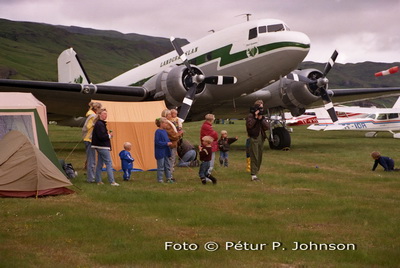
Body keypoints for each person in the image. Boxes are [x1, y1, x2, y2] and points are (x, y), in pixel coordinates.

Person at [91, 108, 119, 186]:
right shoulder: (100, 124)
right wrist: (109, 135)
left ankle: (98, 180)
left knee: (100, 163)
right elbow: (101, 136)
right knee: (108, 163)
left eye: (106, 114)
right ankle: (112, 181)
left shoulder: (99, 123)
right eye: (104, 113)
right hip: (102, 146)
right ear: (100, 114)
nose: (105, 115)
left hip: (99, 146)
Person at [246, 100, 269, 181]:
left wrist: (261, 119)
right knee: (254, 156)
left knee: (259, 156)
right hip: (254, 137)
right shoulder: (250, 115)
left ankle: (256, 171)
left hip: (261, 137)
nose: (261, 109)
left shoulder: (262, 116)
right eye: (260, 107)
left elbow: (267, 127)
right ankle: (253, 174)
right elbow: (249, 125)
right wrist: (255, 118)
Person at [82, 101, 102, 183]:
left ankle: (91, 177)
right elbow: (88, 126)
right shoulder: (92, 116)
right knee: (91, 160)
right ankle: (90, 179)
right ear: (96, 108)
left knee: (92, 160)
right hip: (89, 139)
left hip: (89, 139)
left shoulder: (91, 115)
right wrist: (95, 123)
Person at [161, 109, 183, 175]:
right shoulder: (167, 124)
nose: (171, 115)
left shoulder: (168, 123)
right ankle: (169, 175)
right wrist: (180, 134)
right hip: (171, 143)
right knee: (171, 159)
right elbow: (173, 136)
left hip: (170, 143)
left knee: (170, 159)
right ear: (166, 115)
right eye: (170, 114)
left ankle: (169, 173)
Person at [154, 117, 173, 183]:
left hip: (166, 151)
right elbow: (158, 142)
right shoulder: (158, 132)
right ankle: (160, 179)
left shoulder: (165, 131)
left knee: (167, 165)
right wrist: (166, 143)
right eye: (165, 123)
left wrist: (169, 143)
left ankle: (169, 178)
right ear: (161, 124)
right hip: (160, 152)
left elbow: (166, 139)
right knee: (161, 166)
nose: (166, 125)